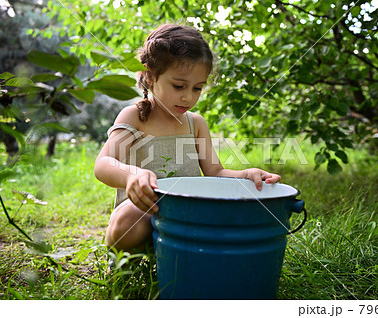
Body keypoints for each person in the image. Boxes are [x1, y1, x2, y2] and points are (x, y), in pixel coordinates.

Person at [94, 24, 281, 254]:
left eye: (197, 88)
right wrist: (133, 174)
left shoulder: (195, 123)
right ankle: (125, 264)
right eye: (179, 86)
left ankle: (185, 259)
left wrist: (245, 175)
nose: (188, 96)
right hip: (143, 214)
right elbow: (103, 165)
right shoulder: (135, 117)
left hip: (184, 217)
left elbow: (215, 173)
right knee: (132, 217)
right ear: (150, 76)